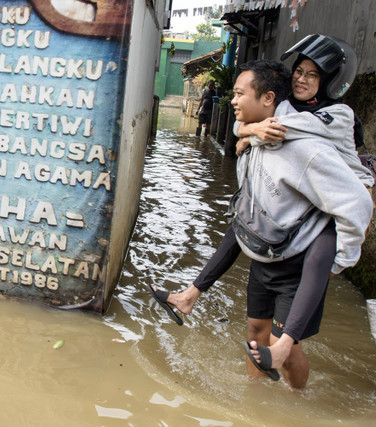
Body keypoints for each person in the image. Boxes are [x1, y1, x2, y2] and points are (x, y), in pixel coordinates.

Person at [153, 58, 373, 389]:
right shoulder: (260, 137)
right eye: (299, 72)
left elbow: (357, 202)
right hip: (266, 255)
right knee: (255, 335)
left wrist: (341, 259)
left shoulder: (309, 145)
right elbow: (247, 129)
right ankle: (257, 399)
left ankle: (295, 402)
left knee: (286, 345)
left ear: (268, 99)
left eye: (240, 94)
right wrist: (247, 131)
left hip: (298, 262)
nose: (233, 101)